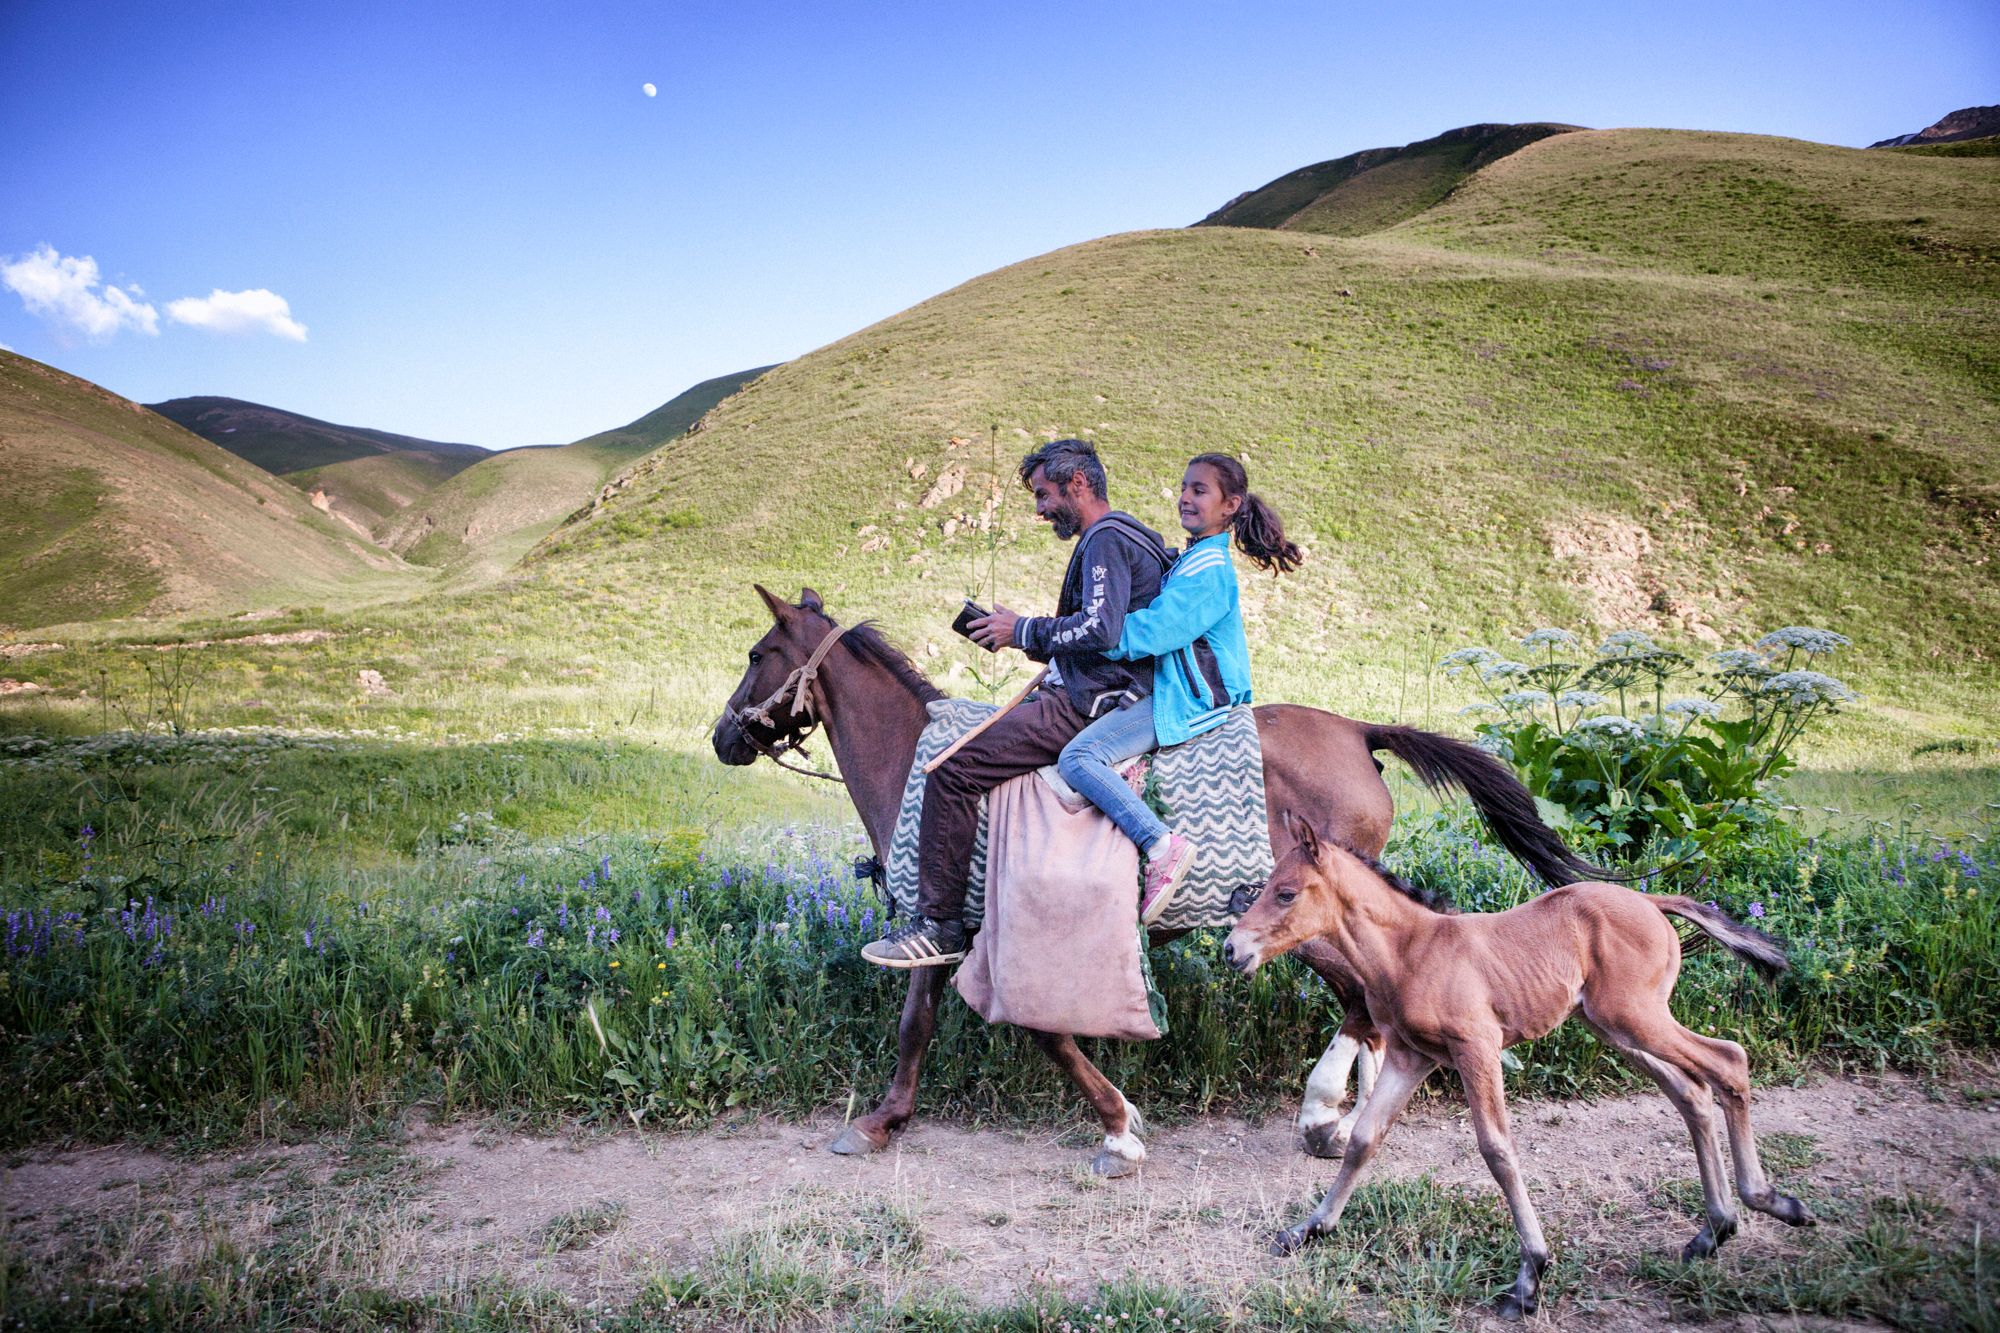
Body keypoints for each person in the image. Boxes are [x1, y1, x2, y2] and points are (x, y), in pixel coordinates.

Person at [861, 438, 1171, 968]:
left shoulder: (1105, 540)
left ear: (1078, 484)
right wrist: (1017, 636)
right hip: (1096, 687)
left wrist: (1024, 626)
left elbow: (1101, 628)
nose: (1040, 509)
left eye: (1044, 494)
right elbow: (1099, 633)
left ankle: (941, 926)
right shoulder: (1127, 537)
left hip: (1088, 704)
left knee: (953, 768)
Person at [1055, 452, 1303, 924]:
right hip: (1170, 685)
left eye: (1199, 491)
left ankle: (1160, 844)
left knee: (1079, 758)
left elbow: (1158, 631)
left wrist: (1089, 640)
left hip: (1186, 697)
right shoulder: (1192, 559)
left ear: (1230, 506)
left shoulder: (1210, 572)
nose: (1185, 498)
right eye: (1185, 488)